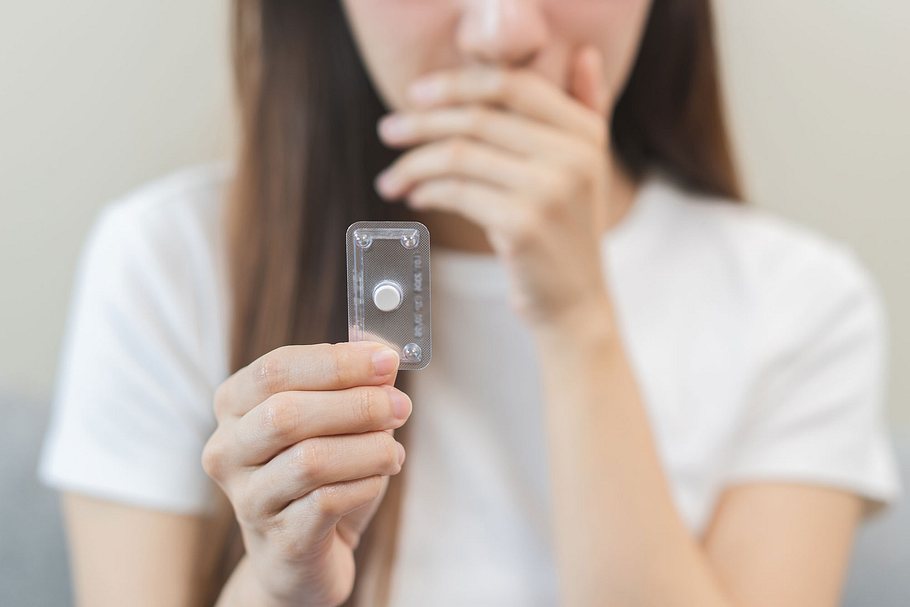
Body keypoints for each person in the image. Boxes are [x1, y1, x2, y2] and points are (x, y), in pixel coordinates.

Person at [39, 1, 900, 606]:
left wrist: (578, 321)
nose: (504, 31)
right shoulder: (167, 261)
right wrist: (278, 582)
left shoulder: (802, 303)